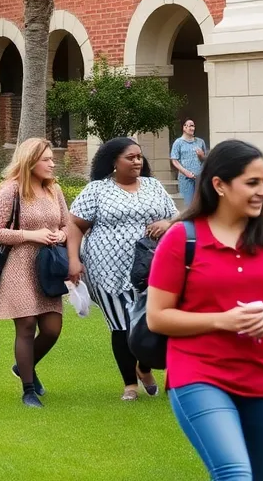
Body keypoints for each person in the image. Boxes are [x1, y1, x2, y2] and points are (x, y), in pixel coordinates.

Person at [148, 140, 263, 481]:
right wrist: (222, 320)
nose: (261, 192)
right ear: (219, 185)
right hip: (199, 373)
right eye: (251, 183)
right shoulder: (182, 239)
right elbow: (157, 316)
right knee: (234, 473)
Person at [67, 136, 177, 401]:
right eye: (131, 157)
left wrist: (166, 223)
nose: (137, 161)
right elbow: (74, 225)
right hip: (107, 270)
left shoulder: (153, 186)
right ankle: (130, 384)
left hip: (151, 267)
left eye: (139, 157)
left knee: (152, 321)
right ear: (114, 162)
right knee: (121, 325)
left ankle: (144, 366)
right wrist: (73, 260)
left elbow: (176, 216)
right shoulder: (97, 190)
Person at [0, 137, 70, 408]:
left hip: (48, 267)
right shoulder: (10, 190)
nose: (52, 164)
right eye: (46, 159)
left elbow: (68, 225)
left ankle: (23, 366)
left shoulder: (54, 190)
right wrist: (31, 234)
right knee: (26, 325)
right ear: (30, 160)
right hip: (18, 266)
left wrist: (60, 234)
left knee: (52, 329)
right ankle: (28, 390)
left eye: (51, 159)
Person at [170, 119, 207, 206]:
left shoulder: (200, 142)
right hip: (185, 178)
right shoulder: (178, 142)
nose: (192, 128)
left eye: (193, 126)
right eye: (189, 126)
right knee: (188, 204)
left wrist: (202, 156)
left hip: (199, 177)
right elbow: (174, 160)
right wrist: (185, 172)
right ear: (184, 127)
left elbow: (205, 159)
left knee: (200, 204)